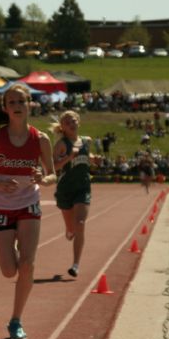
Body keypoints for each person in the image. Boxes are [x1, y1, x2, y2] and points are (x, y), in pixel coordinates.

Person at [0, 84, 56, 339]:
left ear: (30, 104)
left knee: (28, 265)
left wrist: (42, 179)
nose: (17, 106)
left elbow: (52, 174)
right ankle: (12, 254)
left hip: (29, 203)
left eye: (21, 101)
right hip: (1, 205)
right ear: (5, 108)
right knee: (9, 271)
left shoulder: (41, 139)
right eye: (11, 103)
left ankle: (16, 320)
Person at [51, 110, 93, 278]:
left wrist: (93, 158)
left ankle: (75, 265)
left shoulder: (86, 141)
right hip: (65, 190)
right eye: (67, 121)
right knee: (71, 229)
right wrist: (69, 157)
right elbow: (53, 167)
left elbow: (86, 156)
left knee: (81, 222)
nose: (72, 122)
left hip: (83, 187)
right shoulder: (61, 144)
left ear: (79, 122)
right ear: (62, 127)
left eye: (74, 119)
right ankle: (69, 230)